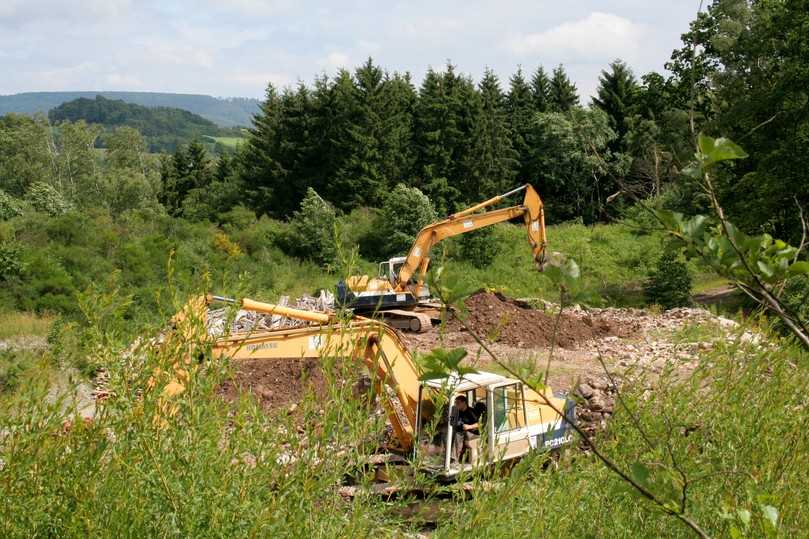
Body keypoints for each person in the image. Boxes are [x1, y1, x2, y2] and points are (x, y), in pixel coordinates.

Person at [451, 395, 479, 463]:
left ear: (464, 403)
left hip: (473, 434)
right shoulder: (457, 412)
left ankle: (454, 459)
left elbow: (480, 424)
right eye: (455, 403)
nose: (456, 405)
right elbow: (452, 422)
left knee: (459, 434)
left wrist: (469, 427)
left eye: (458, 403)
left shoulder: (471, 412)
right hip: (461, 432)